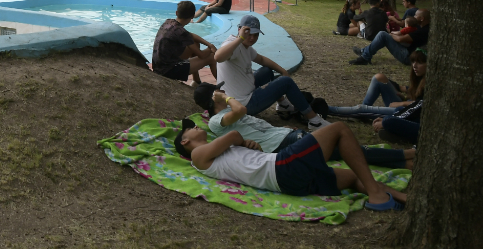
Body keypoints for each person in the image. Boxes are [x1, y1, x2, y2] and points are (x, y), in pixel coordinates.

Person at [174, 119, 407, 211]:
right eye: (191, 127)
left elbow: (241, 153)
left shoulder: (213, 152)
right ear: (185, 141)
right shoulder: (197, 155)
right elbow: (234, 134)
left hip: (288, 182)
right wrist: (241, 140)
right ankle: (377, 197)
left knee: (354, 177)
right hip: (282, 167)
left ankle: (402, 200)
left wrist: (249, 147)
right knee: (339, 129)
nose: (195, 126)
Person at [193, 83, 414, 169]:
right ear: (213, 99)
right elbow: (240, 110)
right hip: (283, 146)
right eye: (217, 92)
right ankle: (406, 156)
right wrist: (226, 95)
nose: (222, 93)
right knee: (349, 148)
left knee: (346, 151)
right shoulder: (215, 121)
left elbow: (243, 114)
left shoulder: (225, 114)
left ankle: (404, 160)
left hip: (287, 137)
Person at [215, 15, 330, 128]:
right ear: (240, 30)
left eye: (255, 35)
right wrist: (240, 38)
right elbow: (218, 57)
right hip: (242, 105)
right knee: (286, 82)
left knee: (266, 71)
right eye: (248, 33)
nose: (252, 38)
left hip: (243, 93)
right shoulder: (233, 45)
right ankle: (314, 121)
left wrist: (282, 70)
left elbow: (261, 59)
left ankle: (283, 105)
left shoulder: (246, 47)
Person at [330, 49, 427, 121]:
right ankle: (362, 114)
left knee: (361, 108)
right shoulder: (418, 79)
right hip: (406, 105)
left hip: (405, 112)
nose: (414, 65)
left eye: (420, 63)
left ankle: (328, 109)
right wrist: (405, 97)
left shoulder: (428, 82)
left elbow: (422, 104)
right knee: (379, 78)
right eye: (413, 61)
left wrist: (402, 103)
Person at [150, 0, 218, 84]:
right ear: (193, 16)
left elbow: (191, 36)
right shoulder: (181, 31)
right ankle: (225, 88)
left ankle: (196, 82)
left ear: (176, 13)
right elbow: (202, 55)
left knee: (195, 44)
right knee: (211, 57)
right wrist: (211, 49)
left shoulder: (168, 22)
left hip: (158, 67)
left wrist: (209, 44)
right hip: (168, 71)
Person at [351, 8, 430, 65]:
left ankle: (365, 56)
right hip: (409, 52)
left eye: (416, 15)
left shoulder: (423, 31)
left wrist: (390, 35)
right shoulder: (423, 27)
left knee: (383, 35)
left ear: (422, 18)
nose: (414, 17)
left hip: (408, 57)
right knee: (383, 34)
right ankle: (364, 52)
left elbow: (400, 39)